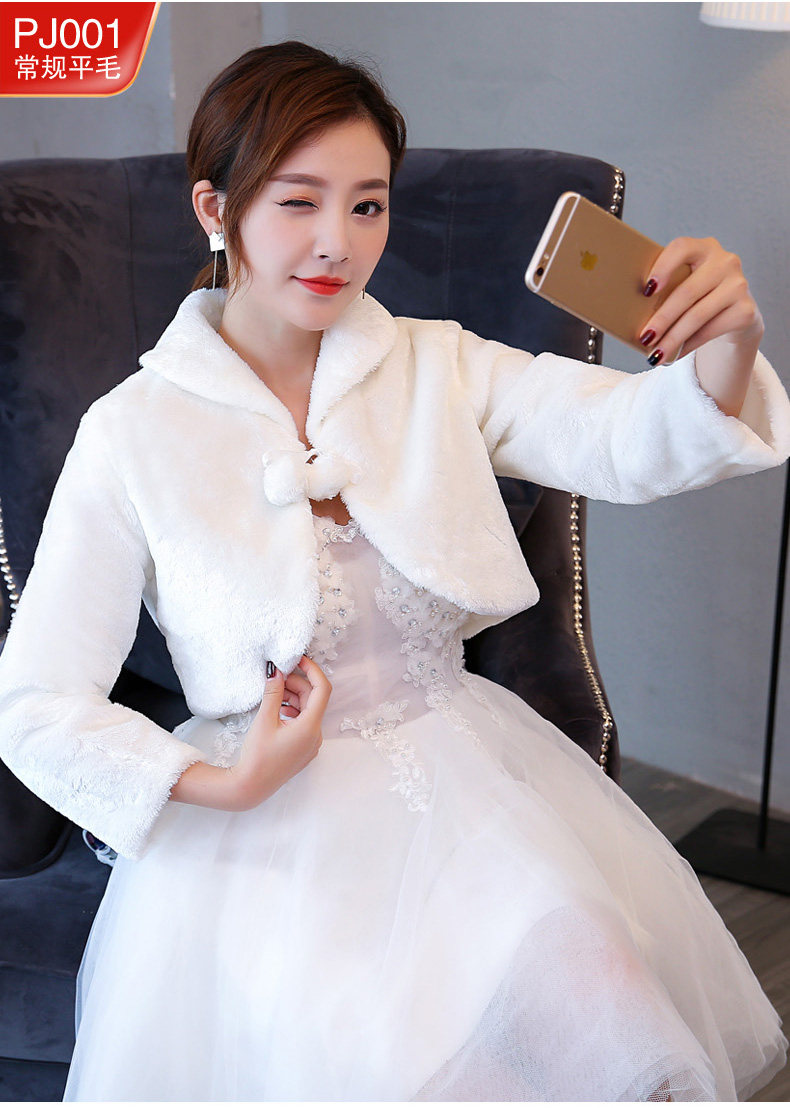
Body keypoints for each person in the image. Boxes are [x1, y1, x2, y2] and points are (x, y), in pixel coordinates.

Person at [0, 40, 788, 1103]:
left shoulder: (435, 364)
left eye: (367, 205)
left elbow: (622, 439)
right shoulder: (132, 432)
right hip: (263, 843)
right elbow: (37, 701)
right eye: (299, 201)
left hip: (468, 790)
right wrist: (228, 783)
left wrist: (728, 340)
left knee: (610, 1011)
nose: (338, 242)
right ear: (214, 209)